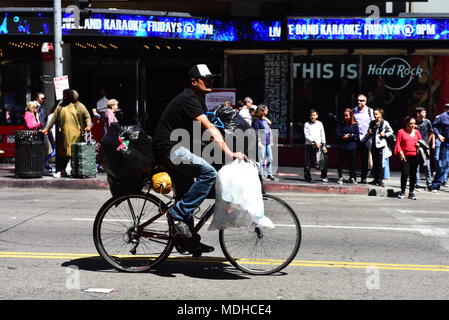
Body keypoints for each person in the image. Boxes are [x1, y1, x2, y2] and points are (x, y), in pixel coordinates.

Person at [153, 64, 246, 254]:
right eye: (206, 79)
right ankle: (177, 213)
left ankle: (189, 240)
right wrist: (229, 152)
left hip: (179, 148)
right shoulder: (189, 99)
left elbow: (202, 134)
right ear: (194, 82)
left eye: (211, 78)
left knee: (186, 192)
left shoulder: (197, 100)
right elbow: (208, 127)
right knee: (208, 173)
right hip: (170, 149)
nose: (210, 81)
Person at [42, 89, 92, 177]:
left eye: (66, 95)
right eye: (63, 95)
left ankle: (76, 171)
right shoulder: (60, 107)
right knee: (63, 154)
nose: (64, 97)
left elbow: (87, 117)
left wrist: (88, 126)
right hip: (63, 135)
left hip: (76, 135)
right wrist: (46, 129)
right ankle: (62, 171)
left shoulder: (79, 106)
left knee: (75, 153)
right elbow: (53, 119)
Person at [395, 116, 422, 200]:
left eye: (414, 123)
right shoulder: (401, 132)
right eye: (411, 123)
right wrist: (400, 152)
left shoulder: (417, 132)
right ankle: (402, 191)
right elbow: (398, 143)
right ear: (406, 124)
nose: (413, 125)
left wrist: (419, 144)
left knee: (413, 174)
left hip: (415, 156)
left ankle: (411, 192)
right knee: (405, 173)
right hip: (405, 156)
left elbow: (421, 141)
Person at [367, 108, 394, 187]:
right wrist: (369, 132)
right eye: (374, 114)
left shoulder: (385, 123)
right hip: (373, 145)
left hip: (381, 145)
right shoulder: (372, 123)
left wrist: (385, 134)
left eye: (376, 114)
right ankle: (375, 179)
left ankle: (380, 180)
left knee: (380, 163)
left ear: (381, 114)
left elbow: (391, 132)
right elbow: (369, 131)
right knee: (374, 163)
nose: (375, 116)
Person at [353, 94, 375, 184]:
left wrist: (371, 131)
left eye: (362, 100)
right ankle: (353, 177)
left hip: (366, 137)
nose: (360, 102)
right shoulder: (354, 110)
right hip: (356, 137)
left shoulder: (370, 111)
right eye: (358, 100)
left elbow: (374, 122)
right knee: (353, 158)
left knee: (365, 159)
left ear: (365, 101)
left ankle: (363, 178)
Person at [429, 103, 449, 192]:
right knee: (443, 164)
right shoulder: (442, 116)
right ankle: (435, 185)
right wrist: (439, 135)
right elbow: (434, 126)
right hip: (446, 143)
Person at [303, 108, 328, 183]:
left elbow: (322, 134)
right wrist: (314, 141)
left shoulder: (320, 123)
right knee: (307, 162)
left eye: (314, 115)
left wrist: (324, 145)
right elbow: (306, 135)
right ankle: (307, 176)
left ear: (317, 116)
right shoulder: (306, 124)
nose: (312, 117)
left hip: (319, 145)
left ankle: (324, 176)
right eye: (311, 115)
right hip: (309, 145)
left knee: (322, 161)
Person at [336, 108, 359, 184]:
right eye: (344, 116)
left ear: (351, 116)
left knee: (352, 161)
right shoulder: (341, 123)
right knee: (341, 161)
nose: (345, 117)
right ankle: (340, 177)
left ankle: (352, 177)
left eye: (347, 116)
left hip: (352, 145)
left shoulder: (355, 124)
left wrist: (349, 136)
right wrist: (343, 136)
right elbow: (337, 132)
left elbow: (357, 134)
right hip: (342, 145)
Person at [252, 104, 274, 180]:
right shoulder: (256, 121)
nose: (268, 110)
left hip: (267, 141)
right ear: (262, 111)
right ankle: (260, 175)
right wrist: (258, 142)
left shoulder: (263, 120)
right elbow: (256, 133)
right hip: (261, 142)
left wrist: (263, 116)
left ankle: (270, 174)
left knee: (270, 158)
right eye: (266, 109)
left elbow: (270, 122)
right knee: (261, 159)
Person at [415, 107, 434, 189]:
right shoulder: (413, 122)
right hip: (416, 146)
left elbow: (431, 132)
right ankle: (417, 182)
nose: (424, 114)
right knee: (416, 165)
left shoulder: (427, 122)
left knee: (427, 165)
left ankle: (429, 183)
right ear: (418, 114)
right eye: (423, 112)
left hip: (425, 146)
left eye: (425, 112)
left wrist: (428, 142)